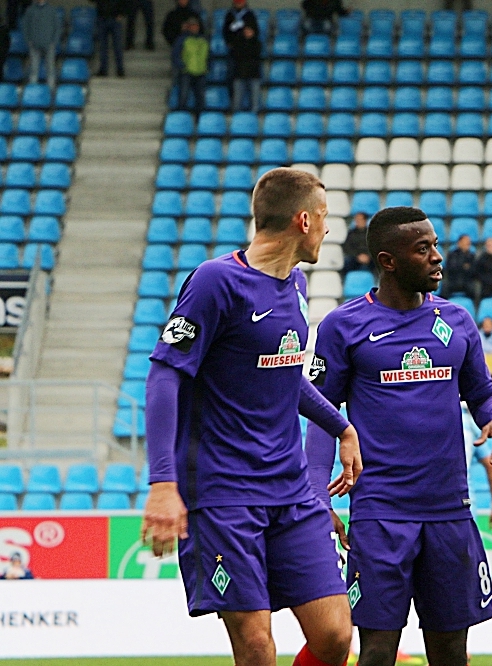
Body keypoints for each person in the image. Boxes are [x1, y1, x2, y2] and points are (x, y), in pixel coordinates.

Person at [141, 168, 361, 666]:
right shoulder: (216, 282)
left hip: (289, 490)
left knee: (334, 635)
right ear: (303, 220)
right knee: (257, 644)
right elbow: (164, 376)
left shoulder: (295, 285)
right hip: (223, 492)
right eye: (324, 217)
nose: (328, 229)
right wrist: (162, 483)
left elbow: (285, 377)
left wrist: (341, 426)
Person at [306, 205, 492, 666]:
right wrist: (317, 499)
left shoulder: (458, 321)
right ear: (388, 261)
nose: (438, 257)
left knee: (451, 654)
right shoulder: (343, 326)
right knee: (378, 653)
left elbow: (481, 392)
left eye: (436, 246)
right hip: (380, 514)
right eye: (423, 249)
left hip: (449, 512)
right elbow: (322, 416)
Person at [173, 17, 208, 117]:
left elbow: (209, 55)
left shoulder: (203, 39)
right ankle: (180, 119)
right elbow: (175, 55)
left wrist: (206, 67)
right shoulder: (182, 39)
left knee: (201, 98)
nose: (194, 28)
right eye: (192, 26)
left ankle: (200, 120)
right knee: (183, 96)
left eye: (196, 26)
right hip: (187, 72)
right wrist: (183, 67)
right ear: (188, 27)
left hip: (201, 72)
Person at [20, 0, 58, 88]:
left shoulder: (51, 10)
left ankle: (50, 90)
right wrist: (28, 40)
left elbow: (57, 27)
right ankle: (33, 90)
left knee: (50, 68)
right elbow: (25, 26)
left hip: (49, 45)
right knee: (34, 68)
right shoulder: (30, 10)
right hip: (34, 45)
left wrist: (53, 42)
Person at [229, 25, 261, 113]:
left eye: (249, 31)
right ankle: (236, 119)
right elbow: (236, 55)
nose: (247, 33)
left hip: (254, 74)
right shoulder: (238, 43)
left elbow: (254, 54)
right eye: (246, 31)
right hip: (239, 73)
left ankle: (254, 120)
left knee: (255, 101)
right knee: (237, 100)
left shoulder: (257, 43)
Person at [92, 0, 126, 77]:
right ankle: (103, 69)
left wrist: (122, 13)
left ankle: (120, 70)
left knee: (117, 46)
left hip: (115, 18)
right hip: (102, 18)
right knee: (103, 47)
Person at [442, 234, 476, 299]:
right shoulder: (452, 254)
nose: (468, 243)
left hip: (466, 281)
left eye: (468, 242)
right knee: (444, 288)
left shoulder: (471, 255)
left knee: (473, 290)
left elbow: (473, 270)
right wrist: (463, 266)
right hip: (453, 280)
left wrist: (461, 266)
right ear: (459, 243)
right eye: (466, 241)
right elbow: (451, 268)